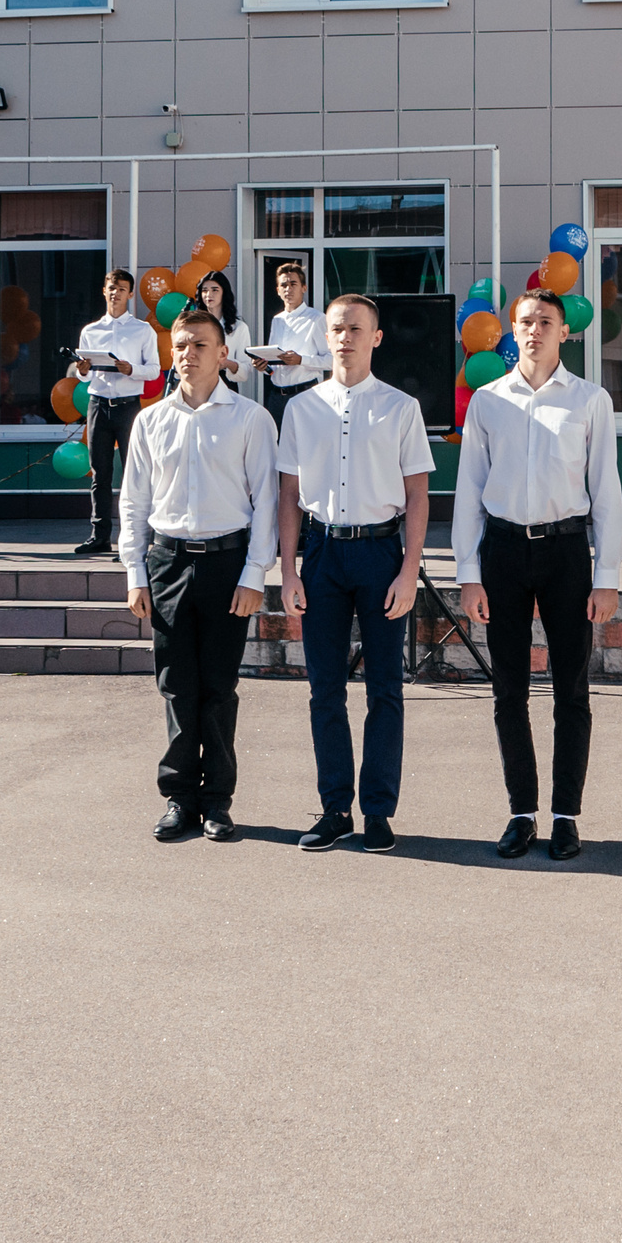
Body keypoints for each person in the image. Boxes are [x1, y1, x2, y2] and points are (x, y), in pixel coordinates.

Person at [455, 290, 622, 862]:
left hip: (567, 554)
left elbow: (606, 493)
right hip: (503, 552)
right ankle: (522, 812)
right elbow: (469, 495)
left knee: (571, 691)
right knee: (509, 691)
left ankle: (566, 816)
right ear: (513, 329)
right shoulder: (487, 401)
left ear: (563, 333)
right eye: (525, 322)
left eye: (545, 322)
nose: (534, 331)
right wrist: (468, 573)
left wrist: (608, 577)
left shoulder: (589, 400)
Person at [277, 294, 434, 856]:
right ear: (325, 336)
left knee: (385, 689)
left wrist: (410, 570)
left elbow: (418, 493)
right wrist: (288, 570)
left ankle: (378, 812)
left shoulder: (400, 407)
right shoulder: (301, 409)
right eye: (337, 328)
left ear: (377, 337)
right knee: (325, 690)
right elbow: (290, 495)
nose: (345, 337)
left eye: (356, 328)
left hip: (381, 555)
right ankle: (334, 808)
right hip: (321, 555)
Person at [122, 308, 280, 844]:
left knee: (218, 687)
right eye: (181, 344)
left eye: (200, 344)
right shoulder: (150, 420)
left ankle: (217, 802)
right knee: (175, 687)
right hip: (166, 563)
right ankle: (179, 797)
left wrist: (256, 573)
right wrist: (135, 573)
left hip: (226, 564)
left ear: (223, 354)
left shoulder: (251, 419)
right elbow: (134, 503)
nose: (188, 353)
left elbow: (266, 503)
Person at [71, 269, 160, 558]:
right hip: (98, 403)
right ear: (104, 290)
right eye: (111, 288)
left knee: (133, 474)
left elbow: (155, 370)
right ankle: (99, 535)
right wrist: (82, 371)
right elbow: (84, 375)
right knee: (100, 472)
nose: (116, 293)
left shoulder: (142, 330)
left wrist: (131, 369)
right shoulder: (91, 330)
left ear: (130, 294)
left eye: (122, 289)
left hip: (128, 405)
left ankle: (133, 537)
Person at [257, 261, 329, 428]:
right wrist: (265, 367)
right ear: (278, 291)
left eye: (293, 284)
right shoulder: (277, 320)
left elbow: (332, 360)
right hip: (276, 395)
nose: (288, 289)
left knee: (305, 445)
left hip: (304, 393)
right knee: (276, 446)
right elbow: (276, 364)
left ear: (304, 287)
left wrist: (301, 360)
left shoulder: (316, 319)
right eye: (284, 285)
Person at [191, 270, 252, 392]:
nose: (209, 295)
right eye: (205, 290)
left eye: (215, 290)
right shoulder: (193, 325)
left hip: (226, 385)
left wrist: (226, 363)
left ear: (224, 292)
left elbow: (245, 371)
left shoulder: (239, 327)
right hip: (197, 383)